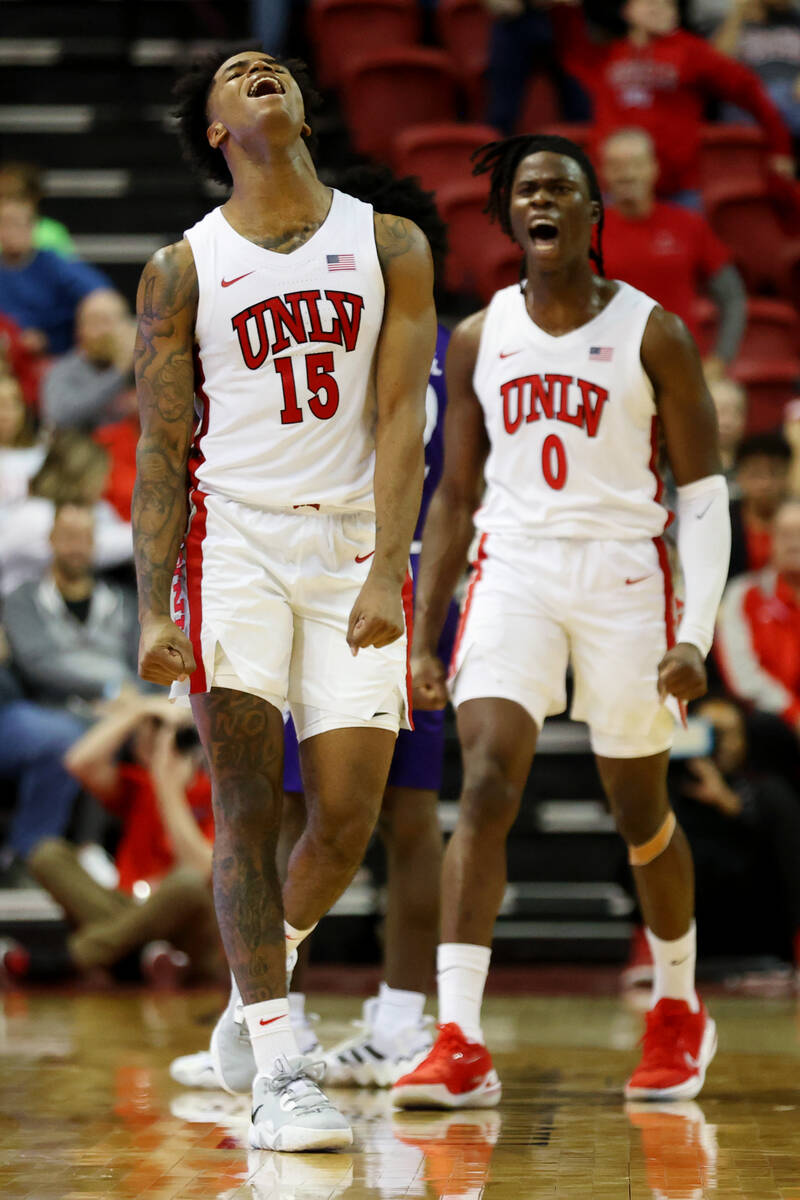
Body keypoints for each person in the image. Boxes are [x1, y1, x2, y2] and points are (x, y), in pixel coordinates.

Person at [133, 50, 434, 1151]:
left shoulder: (388, 241)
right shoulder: (182, 268)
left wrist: (385, 562)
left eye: (273, 67)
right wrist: (153, 608)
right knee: (248, 809)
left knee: (345, 821)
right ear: (215, 129)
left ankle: (251, 990)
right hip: (233, 547)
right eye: (236, 74)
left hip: (353, 541)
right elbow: (162, 453)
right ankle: (276, 1066)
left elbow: (403, 419)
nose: (261, 72)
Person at [392, 133, 730, 1110]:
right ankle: (456, 1037)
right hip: (516, 568)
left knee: (638, 809)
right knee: (488, 776)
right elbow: (452, 497)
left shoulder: (651, 331)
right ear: (508, 220)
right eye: (524, 190)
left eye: (560, 189)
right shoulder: (475, 336)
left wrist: (693, 634)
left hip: (625, 571)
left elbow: (702, 493)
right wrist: (425, 630)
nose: (541, 201)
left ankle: (676, 1007)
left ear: (591, 218)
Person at [9, 695, 224, 986]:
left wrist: (168, 787)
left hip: (185, 925)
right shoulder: (138, 784)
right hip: (125, 907)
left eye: (167, 733)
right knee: (47, 854)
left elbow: (201, 871)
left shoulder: (214, 795)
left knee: (186, 884)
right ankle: (139, 955)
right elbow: (78, 762)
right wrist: (138, 711)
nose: (159, 739)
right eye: (154, 730)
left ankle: (73, 958)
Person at [554, 0, 794, 204]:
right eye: (650, 1)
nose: (660, 6)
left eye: (668, 3)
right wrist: (567, 9)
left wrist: (780, 146)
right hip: (618, 186)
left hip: (678, 187)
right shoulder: (608, 55)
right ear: (627, 9)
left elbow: (749, 89)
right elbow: (571, 47)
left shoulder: (691, 51)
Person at [671, 694, 800, 982]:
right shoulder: (671, 794)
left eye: (728, 734)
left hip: (762, 950)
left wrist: (730, 804)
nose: (720, 744)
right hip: (693, 951)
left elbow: (787, 860)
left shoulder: (769, 793)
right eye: (710, 732)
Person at [601, 128, 747, 377]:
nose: (627, 174)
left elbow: (732, 297)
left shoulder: (688, 225)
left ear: (654, 167)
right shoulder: (585, 234)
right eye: (616, 166)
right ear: (603, 173)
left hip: (679, 369)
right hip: (611, 370)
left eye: (635, 164)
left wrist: (720, 359)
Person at [3, 501, 138, 708]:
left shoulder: (121, 600)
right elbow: (37, 664)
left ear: (95, 542)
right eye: (68, 537)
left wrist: (139, 698)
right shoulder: (23, 599)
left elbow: (141, 663)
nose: (76, 547)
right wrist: (109, 690)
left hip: (129, 704)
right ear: (51, 539)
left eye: (84, 538)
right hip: (57, 707)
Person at [0, 431, 133, 596]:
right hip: (17, 608)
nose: (106, 485)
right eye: (101, 475)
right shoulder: (35, 514)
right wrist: (158, 532)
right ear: (78, 475)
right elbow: (94, 548)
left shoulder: (100, 509)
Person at [716, 498, 800, 736]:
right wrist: (793, 712)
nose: (794, 543)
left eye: (799, 534)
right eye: (785, 534)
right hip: (771, 723)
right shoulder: (742, 594)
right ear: (770, 541)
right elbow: (743, 675)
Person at [0, 196, 109, 356]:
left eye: (17, 224)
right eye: (5, 224)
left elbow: (99, 292)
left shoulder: (52, 264)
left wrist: (47, 338)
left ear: (32, 227)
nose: (11, 232)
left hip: (53, 353)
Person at [42, 289, 137, 430]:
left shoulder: (148, 365)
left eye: (107, 322)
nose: (103, 332)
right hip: (87, 448)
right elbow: (59, 415)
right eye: (94, 323)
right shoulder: (63, 371)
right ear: (79, 330)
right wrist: (118, 372)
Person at [714, 0, 800, 139]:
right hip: (749, 96)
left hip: (791, 95)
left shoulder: (797, 20)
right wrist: (738, 15)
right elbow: (717, 64)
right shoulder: (739, 22)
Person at [727, 431, 792, 580]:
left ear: (787, 475)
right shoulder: (723, 522)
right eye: (756, 474)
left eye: (774, 473)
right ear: (739, 476)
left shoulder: (796, 518)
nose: (766, 484)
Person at [0, 161, 76, 257]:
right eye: (4, 196)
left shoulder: (52, 234)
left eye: (19, 197)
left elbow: (65, 268)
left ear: (33, 199)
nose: (11, 204)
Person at [709, 377, 747, 488]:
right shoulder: (680, 469)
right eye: (719, 412)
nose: (727, 422)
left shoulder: (756, 466)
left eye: (736, 412)